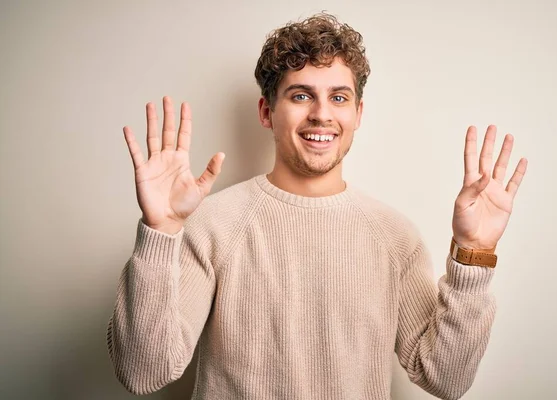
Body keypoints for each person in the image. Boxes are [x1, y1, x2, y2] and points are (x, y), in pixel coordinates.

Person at [106, 13, 528, 400]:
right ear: (267, 112)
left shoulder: (396, 237)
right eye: (301, 96)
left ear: (358, 113)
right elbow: (144, 373)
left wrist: (473, 253)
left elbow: (446, 380)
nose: (322, 114)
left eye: (339, 98)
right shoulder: (213, 224)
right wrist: (159, 231)